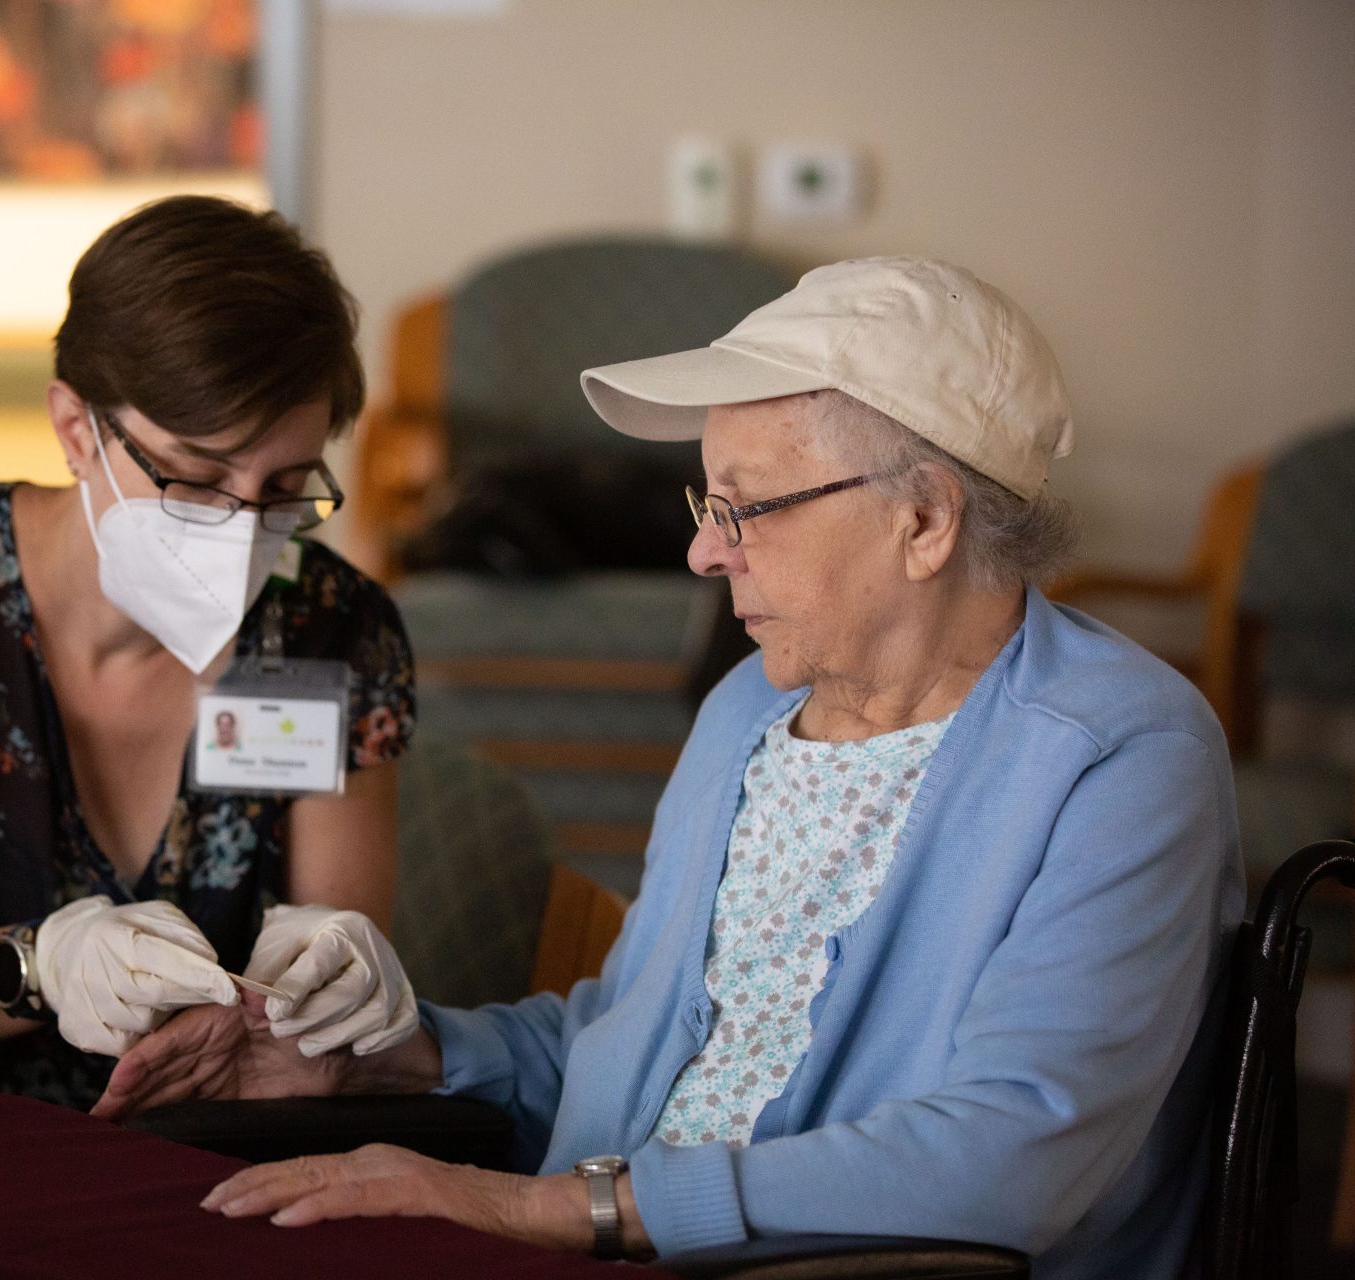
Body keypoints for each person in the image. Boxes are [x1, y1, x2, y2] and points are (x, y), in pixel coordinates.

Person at [92, 258, 1244, 1278]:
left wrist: (538, 1207)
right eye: (709, 502)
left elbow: (1008, 1156)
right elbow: (633, 1043)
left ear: (927, 519)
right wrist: (383, 1053)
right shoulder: (751, 708)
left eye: (747, 507)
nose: (701, 548)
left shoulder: (1121, 755)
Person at [0, 196, 420, 1109]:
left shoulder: (331, 624)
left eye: (284, 487)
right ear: (77, 428)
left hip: (208, 1148)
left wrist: (337, 980)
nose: (243, 525)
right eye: (196, 478)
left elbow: (329, 959)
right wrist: (38, 966)